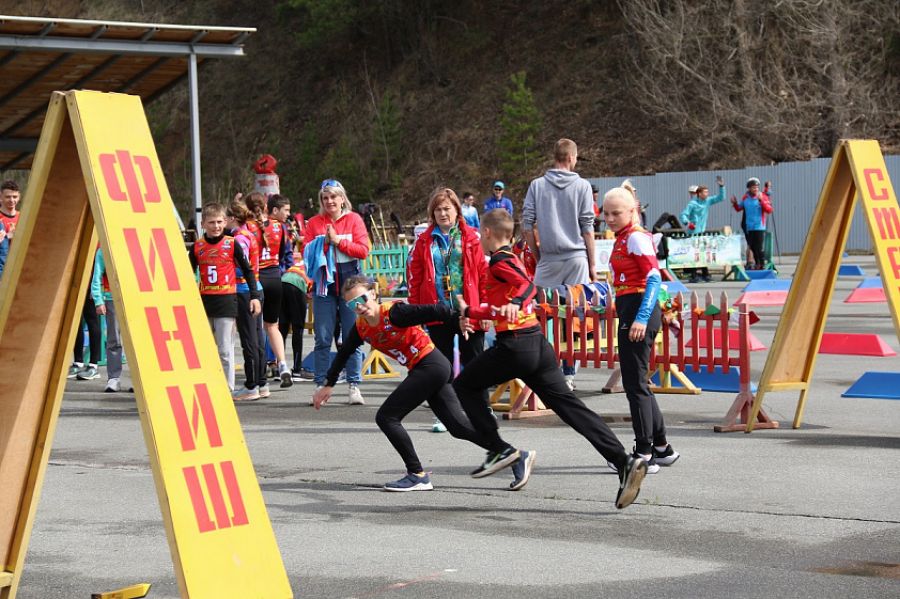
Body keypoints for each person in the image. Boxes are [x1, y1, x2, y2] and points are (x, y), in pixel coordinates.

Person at [452, 208, 648, 509]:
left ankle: (498, 449)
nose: (479, 240)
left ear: (488, 234)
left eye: (480, 235)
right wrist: (469, 312)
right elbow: (498, 308)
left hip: (515, 347)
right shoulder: (512, 258)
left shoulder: (500, 260)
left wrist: (518, 301)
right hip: (536, 346)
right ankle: (623, 461)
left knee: (464, 385)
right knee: (572, 409)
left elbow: (528, 288)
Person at [313, 275, 534, 491]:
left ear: (373, 293)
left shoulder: (395, 312)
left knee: (387, 417)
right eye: (352, 304)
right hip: (428, 369)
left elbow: (436, 310)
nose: (359, 307)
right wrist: (328, 384)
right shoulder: (362, 327)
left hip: (430, 365)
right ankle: (515, 455)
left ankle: (416, 474)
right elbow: (344, 353)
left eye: (362, 299)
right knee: (459, 427)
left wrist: (461, 318)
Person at [602, 187, 680, 474]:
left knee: (635, 385)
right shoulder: (624, 237)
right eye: (606, 214)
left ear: (632, 210)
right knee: (639, 383)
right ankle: (661, 447)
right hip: (630, 308)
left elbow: (653, 277)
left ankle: (643, 452)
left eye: (616, 213)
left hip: (638, 310)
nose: (609, 218)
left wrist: (641, 317)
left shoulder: (635, 237)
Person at [407, 187, 488, 432]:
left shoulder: (472, 237)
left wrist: (484, 307)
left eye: (447, 209)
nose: (443, 213)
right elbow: (416, 276)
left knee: (474, 361)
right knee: (441, 366)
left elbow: (483, 274)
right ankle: (447, 415)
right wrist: (416, 310)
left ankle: (482, 411)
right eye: (438, 210)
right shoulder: (424, 240)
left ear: (456, 211)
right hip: (437, 309)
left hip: (469, 308)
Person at [521, 138, 596, 390]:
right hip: (576, 257)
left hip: (548, 259)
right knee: (573, 316)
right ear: (572, 158)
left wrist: (537, 254)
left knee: (539, 315)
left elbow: (526, 224)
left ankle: (538, 367)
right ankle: (568, 373)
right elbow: (588, 227)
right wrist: (593, 264)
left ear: (554, 157)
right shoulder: (583, 186)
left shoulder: (537, 185)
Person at [304, 179, 370, 405]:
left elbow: (363, 251)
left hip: (352, 288)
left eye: (334, 196)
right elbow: (308, 255)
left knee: (353, 336)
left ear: (342, 198)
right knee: (323, 337)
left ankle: (354, 385)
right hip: (324, 287)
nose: (330, 201)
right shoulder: (313, 223)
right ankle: (321, 386)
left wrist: (338, 242)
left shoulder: (354, 220)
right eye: (325, 198)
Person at [189, 202, 261, 393]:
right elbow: (188, 274)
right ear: (203, 223)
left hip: (226, 300)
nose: (216, 226)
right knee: (204, 348)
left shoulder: (231, 243)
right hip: (204, 301)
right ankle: (207, 385)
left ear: (225, 222)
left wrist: (254, 296)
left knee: (225, 349)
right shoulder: (197, 246)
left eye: (220, 222)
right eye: (211, 222)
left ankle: (226, 389)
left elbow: (248, 270)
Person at [227, 198, 269, 401]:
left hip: (245, 290)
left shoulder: (238, 239)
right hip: (255, 288)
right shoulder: (250, 234)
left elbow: (242, 266)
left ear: (232, 218)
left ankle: (252, 384)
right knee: (257, 338)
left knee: (249, 339)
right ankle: (261, 382)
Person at [255, 194, 295, 388]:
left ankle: (260, 368)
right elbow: (282, 254)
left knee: (255, 326)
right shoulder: (281, 228)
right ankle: (284, 365)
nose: (288, 214)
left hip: (257, 276)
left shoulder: (250, 227)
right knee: (273, 326)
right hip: (274, 276)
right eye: (286, 210)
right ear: (274, 210)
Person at [90, 248, 126, 392]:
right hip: (112, 299)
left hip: (136, 299)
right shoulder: (103, 250)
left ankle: (139, 379)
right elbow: (97, 276)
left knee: (138, 342)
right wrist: (98, 300)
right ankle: (114, 378)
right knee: (114, 339)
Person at [679, 176, 727, 283]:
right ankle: (693, 275)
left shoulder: (708, 201)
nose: (707, 194)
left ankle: (705, 274)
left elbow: (721, 198)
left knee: (703, 253)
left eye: (707, 192)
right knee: (694, 254)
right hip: (693, 233)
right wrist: (688, 223)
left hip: (702, 232)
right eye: (705, 192)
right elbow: (683, 215)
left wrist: (721, 186)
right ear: (699, 194)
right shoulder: (692, 204)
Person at [731, 178, 773, 270]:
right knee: (752, 247)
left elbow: (769, 210)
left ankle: (762, 264)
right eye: (753, 187)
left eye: (757, 187)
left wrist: (761, 201)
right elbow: (739, 208)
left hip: (759, 226)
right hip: (749, 227)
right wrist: (734, 203)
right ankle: (757, 263)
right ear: (749, 188)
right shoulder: (746, 198)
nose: (756, 189)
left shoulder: (762, 196)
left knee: (759, 247)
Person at [0, 180, 20, 247]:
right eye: (8, 197)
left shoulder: (22, 217)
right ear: (0, 197)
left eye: (14, 197)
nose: (11, 200)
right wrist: (8, 236)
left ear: (19, 197)